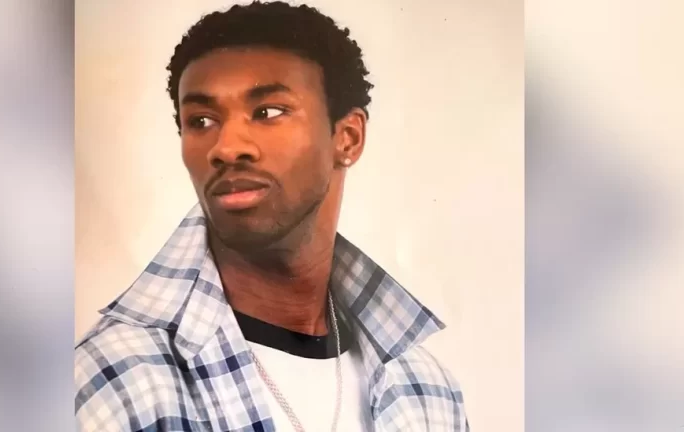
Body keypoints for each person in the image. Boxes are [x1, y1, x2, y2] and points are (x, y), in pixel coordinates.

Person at [75, 2, 469, 431]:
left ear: (348, 138)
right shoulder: (113, 383)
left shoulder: (426, 392)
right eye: (201, 120)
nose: (227, 147)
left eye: (267, 112)